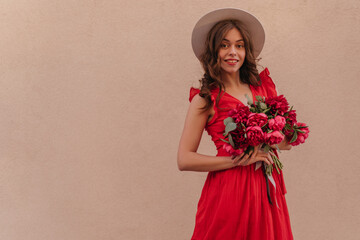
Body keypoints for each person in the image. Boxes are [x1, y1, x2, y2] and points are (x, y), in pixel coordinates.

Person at [177, 8, 294, 240]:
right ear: (214, 51)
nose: (233, 52)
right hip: (229, 190)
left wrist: (273, 137)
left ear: (246, 50)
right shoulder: (206, 99)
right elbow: (184, 159)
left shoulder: (265, 87)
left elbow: (286, 143)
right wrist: (237, 160)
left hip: (266, 187)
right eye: (224, 45)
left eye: (239, 45)